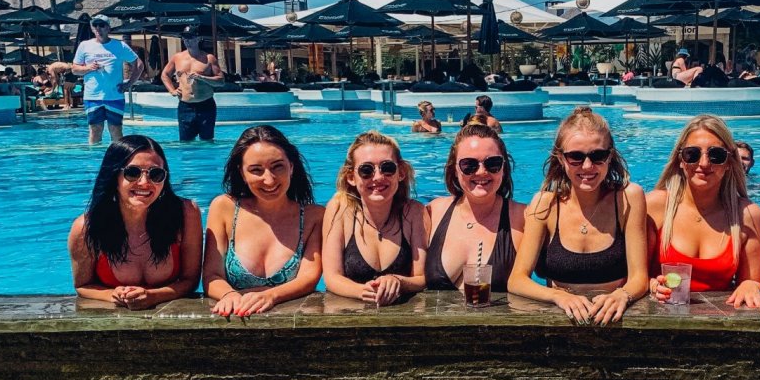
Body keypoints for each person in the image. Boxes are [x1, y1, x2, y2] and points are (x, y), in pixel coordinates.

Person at [508, 106, 649, 324]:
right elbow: (517, 280)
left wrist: (622, 295)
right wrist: (559, 296)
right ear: (560, 158)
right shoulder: (545, 205)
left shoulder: (629, 198)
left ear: (610, 156)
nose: (587, 166)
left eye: (598, 156)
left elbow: (639, 277)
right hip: (559, 323)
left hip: (614, 322)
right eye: (575, 157)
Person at [67, 135, 202, 309]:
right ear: (114, 176)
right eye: (132, 173)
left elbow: (190, 280)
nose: (145, 183)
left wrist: (153, 297)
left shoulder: (186, 214)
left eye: (156, 174)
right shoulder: (86, 227)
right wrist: (112, 295)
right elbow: (82, 286)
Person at [647, 116, 760, 308]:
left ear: (729, 162)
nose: (703, 163)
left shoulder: (748, 215)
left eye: (716, 155)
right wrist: (651, 285)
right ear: (680, 160)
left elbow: (752, 280)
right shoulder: (656, 206)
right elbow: (632, 276)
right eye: (692, 154)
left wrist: (750, 285)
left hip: (721, 326)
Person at [203, 125, 323, 316]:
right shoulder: (224, 208)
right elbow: (211, 275)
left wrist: (271, 296)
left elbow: (308, 278)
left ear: (291, 166)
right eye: (256, 170)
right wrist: (229, 295)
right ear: (242, 173)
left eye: (278, 167)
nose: (269, 180)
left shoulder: (314, 216)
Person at [321, 132, 428, 305]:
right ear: (351, 177)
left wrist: (398, 281)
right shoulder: (339, 209)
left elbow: (422, 277)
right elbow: (332, 277)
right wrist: (363, 291)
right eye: (366, 170)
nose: (378, 177)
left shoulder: (414, 212)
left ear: (400, 173)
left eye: (387, 168)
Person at [425, 121, 525, 293]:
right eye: (469, 165)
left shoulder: (524, 219)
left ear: (504, 168)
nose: (481, 172)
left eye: (492, 163)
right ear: (455, 170)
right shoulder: (433, 212)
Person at [58, 15, 141, 145]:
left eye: (101, 25)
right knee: (95, 130)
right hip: (92, 96)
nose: (98, 28)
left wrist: (129, 83)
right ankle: (95, 160)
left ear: (108, 28)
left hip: (114, 96)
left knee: (116, 130)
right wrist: (89, 68)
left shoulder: (120, 46)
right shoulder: (84, 45)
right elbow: (74, 69)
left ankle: (116, 160)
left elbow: (138, 64)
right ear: (92, 28)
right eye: (95, 25)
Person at [161, 26, 224, 142]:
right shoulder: (177, 57)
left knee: (207, 142)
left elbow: (221, 81)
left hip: (206, 105)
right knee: (185, 142)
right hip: (185, 106)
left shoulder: (209, 58)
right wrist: (172, 90)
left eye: (190, 38)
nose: (187, 41)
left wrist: (202, 77)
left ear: (199, 38)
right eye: (185, 38)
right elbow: (165, 75)